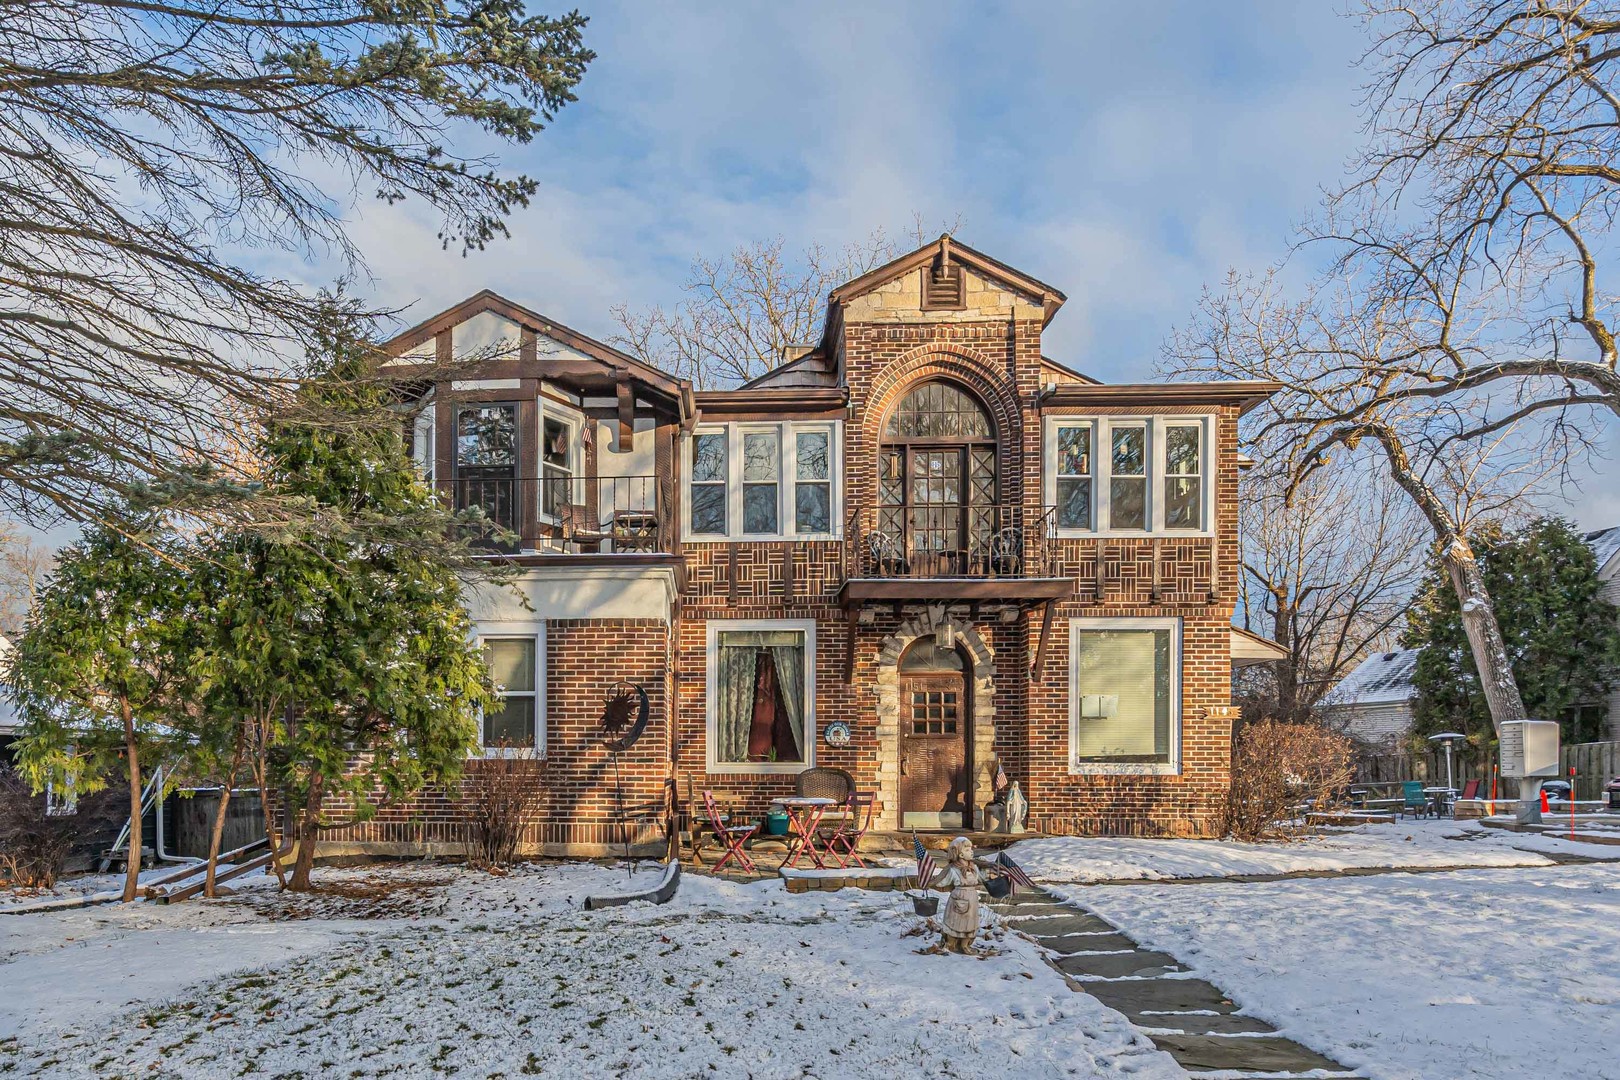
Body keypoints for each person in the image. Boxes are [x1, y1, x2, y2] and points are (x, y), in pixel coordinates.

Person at [922, 835, 997, 955]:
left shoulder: (973, 867)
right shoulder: (953, 869)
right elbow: (942, 881)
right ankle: (951, 944)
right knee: (955, 922)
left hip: (972, 898)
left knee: (970, 922)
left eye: (971, 849)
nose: (971, 852)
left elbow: (982, 878)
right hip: (958, 898)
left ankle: (965, 945)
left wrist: (987, 869)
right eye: (967, 850)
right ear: (960, 855)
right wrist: (930, 882)